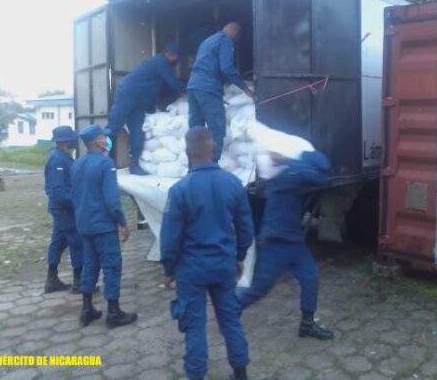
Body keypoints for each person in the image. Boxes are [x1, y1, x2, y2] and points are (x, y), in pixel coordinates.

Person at [161, 127, 254, 380]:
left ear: (187, 152)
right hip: (224, 266)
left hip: (191, 271)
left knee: (194, 326)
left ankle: (196, 375)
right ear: (213, 149)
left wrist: (168, 270)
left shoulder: (180, 190)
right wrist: (239, 257)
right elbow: (246, 227)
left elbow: (170, 238)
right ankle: (241, 373)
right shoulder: (233, 183)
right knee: (230, 320)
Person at [236, 150, 334, 340]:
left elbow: (321, 174)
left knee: (310, 277)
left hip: (292, 241)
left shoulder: (288, 174)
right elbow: (321, 174)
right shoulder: (288, 176)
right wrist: (292, 161)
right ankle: (229, 310)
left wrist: (289, 160)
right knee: (260, 288)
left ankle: (307, 324)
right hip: (276, 243)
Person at [71, 124, 138, 328]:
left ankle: (87, 309)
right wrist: (122, 223)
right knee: (111, 266)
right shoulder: (105, 163)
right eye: (104, 137)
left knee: (90, 265)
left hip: (84, 224)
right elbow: (112, 199)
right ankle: (114, 312)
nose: (106, 140)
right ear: (96, 142)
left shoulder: (77, 165)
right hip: (103, 226)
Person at [106, 43, 186, 175]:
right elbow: (172, 83)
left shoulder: (161, 64)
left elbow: (157, 88)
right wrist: (189, 91)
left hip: (139, 101)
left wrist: (153, 108)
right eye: (176, 57)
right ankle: (98, 156)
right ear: (170, 55)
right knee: (113, 127)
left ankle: (134, 164)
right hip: (127, 94)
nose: (176, 61)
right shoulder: (161, 62)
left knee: (138, 131)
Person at [187, 22, 253, 162]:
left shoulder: (208, 41)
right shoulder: (225, 41)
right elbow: (227, 68)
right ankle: (212, 166)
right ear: (235, 32)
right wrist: (245, 88)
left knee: (195, 129)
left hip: (193, 86)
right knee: (216, 129)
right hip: (207, 87)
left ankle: (193, 167)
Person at [43, 126, 86, 294]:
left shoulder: (62, 157)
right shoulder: (57, 160)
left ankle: (51, 280)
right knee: (77, 243)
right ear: (66, 141)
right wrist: (77, 203)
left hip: (62, 209)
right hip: (65, 210)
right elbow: (58, 191)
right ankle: (79, 283)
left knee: (58, 242)